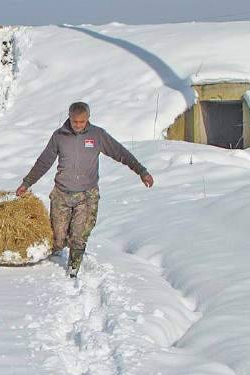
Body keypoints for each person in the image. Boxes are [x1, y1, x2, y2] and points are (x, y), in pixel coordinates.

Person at [16, 102, 154, 277]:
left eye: (82, 122)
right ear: (69, 118)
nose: (79, 125)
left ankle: (74, 268)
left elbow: (121, 153)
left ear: (88, 119)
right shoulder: (59, 136)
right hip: (62, 193)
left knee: (79, 235)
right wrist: (27, 183)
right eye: (75, 122)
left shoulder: (97, 135)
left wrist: (141, 171)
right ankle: (58, 249)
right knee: (58, 237)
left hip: (87, 195)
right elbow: (44, 162)